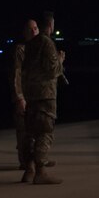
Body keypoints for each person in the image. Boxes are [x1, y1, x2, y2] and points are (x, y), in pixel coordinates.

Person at [20, 11, 66, 184]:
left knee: (31, 133)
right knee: (45, 132)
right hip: (45, 96)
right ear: (51, 25)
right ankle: (41, 171)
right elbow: (52, 69)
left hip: (31, 94)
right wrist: (60, 60)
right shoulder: (47, 43)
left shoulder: (31, 44)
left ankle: (29, 169)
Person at [12, 18, 38, 169]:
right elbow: (16, 75)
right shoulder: (21, 50)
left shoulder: (39, 48)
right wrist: (19, 97)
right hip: (25, 95)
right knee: (23, 130)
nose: (34, 31)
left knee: (37, 129)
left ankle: (37, 158)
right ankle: (25, 161)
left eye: (35, 28)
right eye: (30, 29)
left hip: (36, 95)